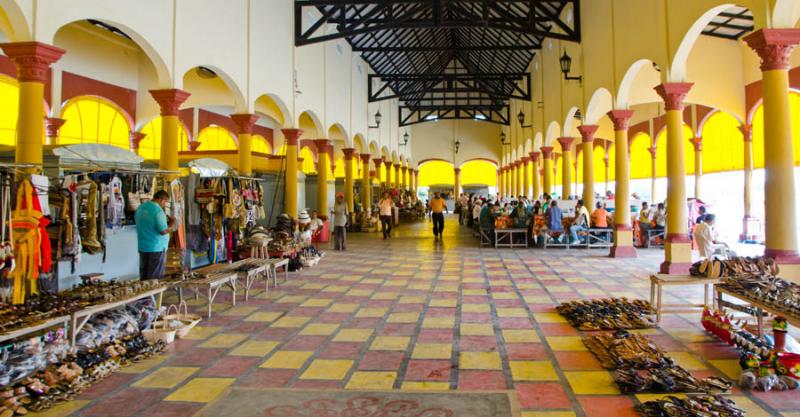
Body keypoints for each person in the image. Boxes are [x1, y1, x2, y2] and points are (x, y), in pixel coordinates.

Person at [135, 190, 175, 279]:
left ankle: (145, 293)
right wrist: (172, 224)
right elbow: (163, 231)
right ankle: (153, 293)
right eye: (165, 202)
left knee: (144, 277)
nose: (164, 205)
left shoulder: (141, 208)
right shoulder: (158, 211)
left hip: (143, 247)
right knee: (155, 279)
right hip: (157, 248)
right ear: (162, 200)